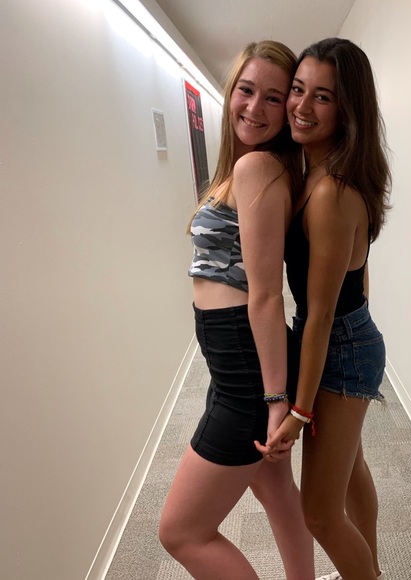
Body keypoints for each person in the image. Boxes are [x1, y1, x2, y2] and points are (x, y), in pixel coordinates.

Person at [159, 40, 314, 580]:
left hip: (248, 369)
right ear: (231, 92)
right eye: (246, 90)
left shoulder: (258, 168)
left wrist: (275, 400)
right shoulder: (247, 167)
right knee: (275, 489)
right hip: (233, 360)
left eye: (273, 97)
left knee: (181, 531)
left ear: (288, 108)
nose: (255, 107)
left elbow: (267, 295)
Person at [257, 38, 392, 580]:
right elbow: (358, 281)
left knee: (319, 512)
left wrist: (300, 412)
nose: (302, 106)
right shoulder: (316, 171)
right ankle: (368, 565)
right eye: (298, 89)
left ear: (347, 110)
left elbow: (319, 317)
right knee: (351, 469)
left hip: (340, 345)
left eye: (323, 97)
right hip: (347, 335)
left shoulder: (331, 192)